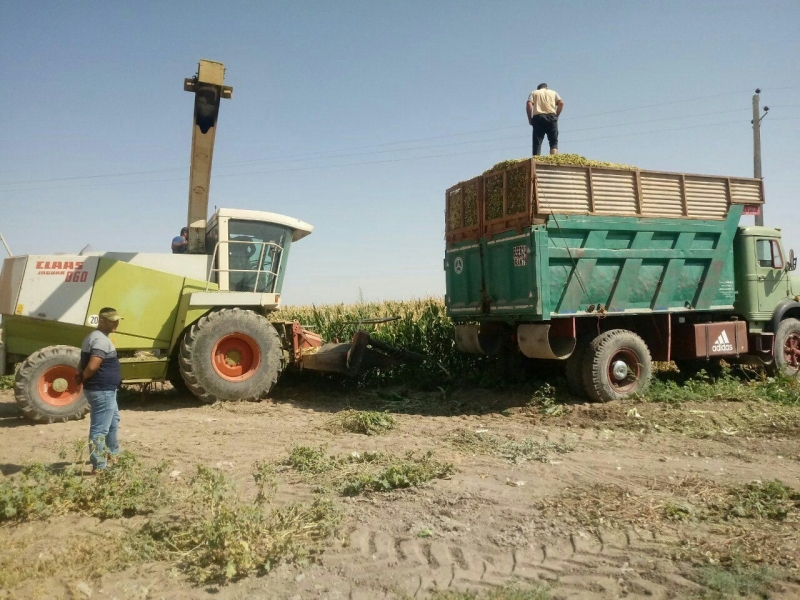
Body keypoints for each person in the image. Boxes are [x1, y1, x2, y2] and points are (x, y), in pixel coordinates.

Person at [76, 307, 123, 472]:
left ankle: (113, 455)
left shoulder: (94, 337)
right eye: (111, 320)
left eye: (117, 319)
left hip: (106, 390)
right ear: (101, 321)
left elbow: (83, 361)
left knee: (113, 422)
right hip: (102, 390)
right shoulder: (100, 340)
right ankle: (99, 465)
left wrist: (80, 374)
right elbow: (93, 364)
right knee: (100, 428)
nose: (115, 323)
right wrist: (83, 377)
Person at [526, 83, 564, 156]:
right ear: (546, 88)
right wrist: (556, 115)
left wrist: (530, 119)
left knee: (537, 141)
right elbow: (561, 103)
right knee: (553, 141)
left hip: (538, 117)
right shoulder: (553, 92)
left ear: (538, 89)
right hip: (551, 116)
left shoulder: (534, 93)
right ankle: (554, 159)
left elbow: (529, 104)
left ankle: (536, 161)